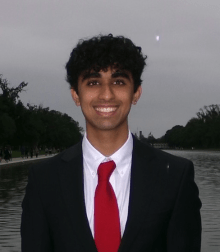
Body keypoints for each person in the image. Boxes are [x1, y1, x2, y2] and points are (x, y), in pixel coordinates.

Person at [21, 34, 202, 252]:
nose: (106, 94)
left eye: (118, 81)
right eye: (93, 82)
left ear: (136, 93)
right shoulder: (44, 181)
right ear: (76, 95)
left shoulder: (175, 177)